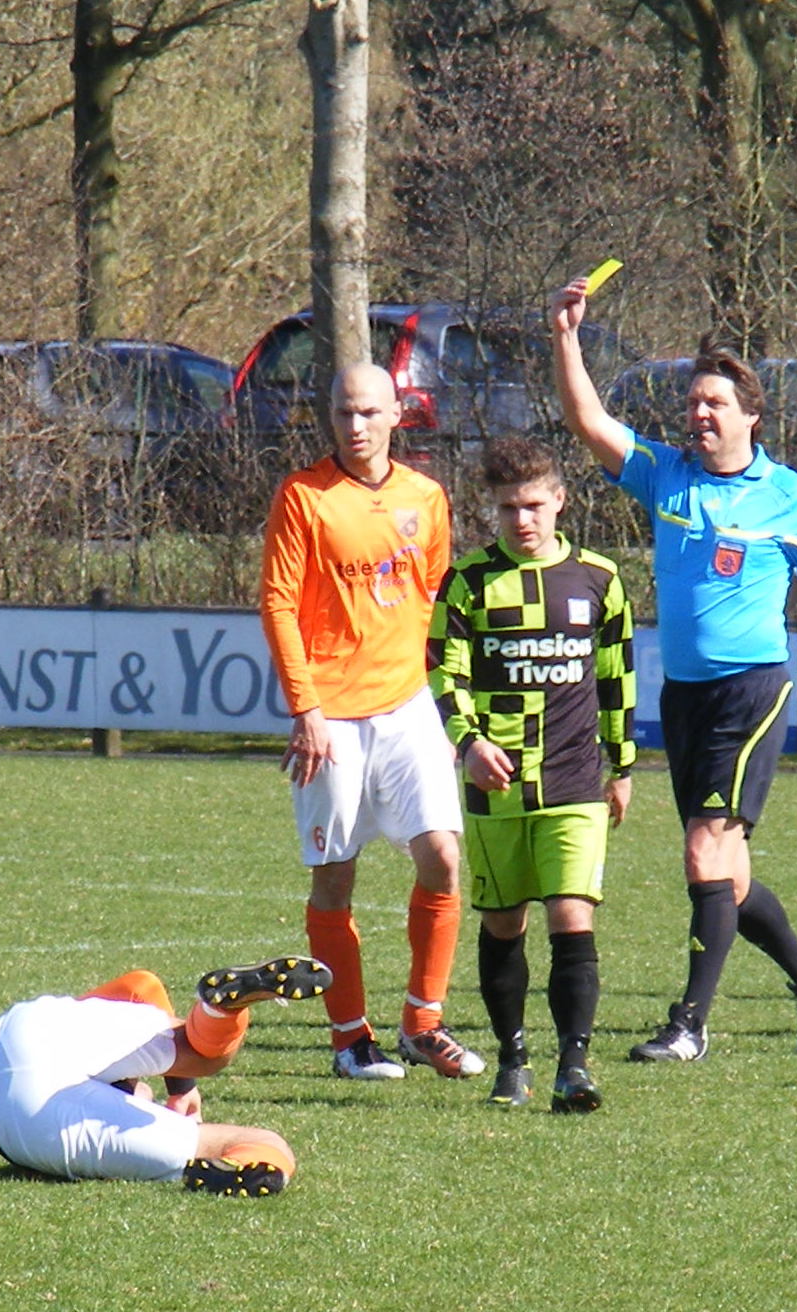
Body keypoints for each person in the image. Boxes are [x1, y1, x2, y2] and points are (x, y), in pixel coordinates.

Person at [550, 277, 797, 1061]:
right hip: (684, 695)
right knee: (727, 875)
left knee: (704, 852)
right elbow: (587, 421)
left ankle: (689, 1024)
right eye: (693, 402)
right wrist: (567, 337)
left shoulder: (789, 498)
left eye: (715, 402)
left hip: (752, 692)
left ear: (751, 416)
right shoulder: (665, 473)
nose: (700, 413)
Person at [260, 363, 476, 1081]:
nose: (355, 426)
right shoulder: (303, 496)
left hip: (408, 705)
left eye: (368, 413)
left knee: (442, 857)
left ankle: (423, 1023)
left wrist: (448, 704)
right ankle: (350, 1038)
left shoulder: (426, 497)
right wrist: (306, 709)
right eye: (343, 413)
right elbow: (278, 604)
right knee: (335, 877)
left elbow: (436, 603)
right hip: (332, 718)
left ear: (396, 415)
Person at [429, 438, 634, 1111]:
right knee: (503, 924)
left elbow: (617, 679)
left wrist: (623, 764)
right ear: (493, 509)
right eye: (508, 508)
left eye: (534, 506)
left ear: (560, 501)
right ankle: (512, 1060)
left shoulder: (599, 579)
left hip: (574, 780)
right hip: (497, 786)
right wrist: (469, 744)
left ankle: (574, 1066)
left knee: (571, 916)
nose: (522, 520)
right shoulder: (469, 582)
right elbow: (445, 674)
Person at [0, 957, 330, 1195]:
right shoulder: (85, 1101)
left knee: (212, 1069)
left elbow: (140, 989)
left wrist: (182, 1087)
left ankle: (220, 1010)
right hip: (18, 1031)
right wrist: (181, 1083)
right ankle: (216, 1012)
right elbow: (141, 985)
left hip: (28, 1095)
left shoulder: (85, 1105)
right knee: (264, 1137)